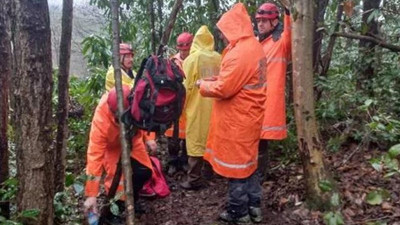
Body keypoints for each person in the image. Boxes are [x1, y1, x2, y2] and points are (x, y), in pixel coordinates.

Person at [196, 3, 267, 223]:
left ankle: (239, 213)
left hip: (238, 120)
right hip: (250, 117)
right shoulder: (254, 47)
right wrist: (214, 80)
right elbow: (237, 80)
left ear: (234, 28)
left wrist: (202, 85)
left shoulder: (241, 53)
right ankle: (254, 207)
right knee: (250, 166)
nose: (223, 36)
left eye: (225, 31)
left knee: (237, 170)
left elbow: (225, 88)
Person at [83, 86, 153, 222]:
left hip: (132, 140)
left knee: (145, 172)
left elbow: (145, 117)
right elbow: (94, 155)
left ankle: (132, 198)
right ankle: (114, 209)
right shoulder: (101, 120)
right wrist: (91, 194)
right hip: (113, 147)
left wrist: (149, 138)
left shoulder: (135, 100)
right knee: (116, 181)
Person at [179, 25, 221, 190]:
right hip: (216, 106)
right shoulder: (219, 57)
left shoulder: (192, 59)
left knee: (195, 140)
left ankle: (194, 178)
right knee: (211, 138)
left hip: (196, 106)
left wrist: (180, 108)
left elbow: (186, 87)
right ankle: (210, 173)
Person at [256, 2, 291, 182]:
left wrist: (288, 11)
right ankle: (251, 175)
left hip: (269, 100)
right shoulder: (257, 42)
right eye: (259, 20)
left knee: (261, 142)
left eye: (265, 20)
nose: (260, 24)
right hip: (253, 100)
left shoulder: (280, 41)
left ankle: (259, 177)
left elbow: (291, 33)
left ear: (275, 22)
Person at [164, 32, 194, 176]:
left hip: (191, 102)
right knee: (172, 135)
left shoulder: (195, 60)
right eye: (181, 48)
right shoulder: (172, 62)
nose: (183, 51)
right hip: (175, 104)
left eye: (186, 48)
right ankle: (172, 161)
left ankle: (184, 160)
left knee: (189, 134)